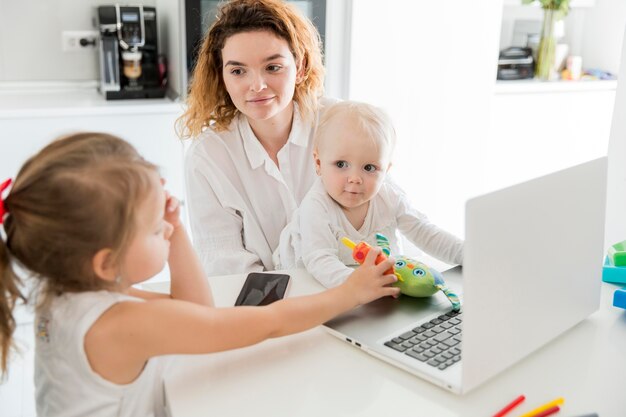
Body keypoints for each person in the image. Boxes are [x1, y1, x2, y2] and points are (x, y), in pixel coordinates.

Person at [0, 132, 399, 417]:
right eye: (157, 229)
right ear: (106, 263)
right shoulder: (118, 323)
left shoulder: (68, 291)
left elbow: (193, 308)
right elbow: (267, 322)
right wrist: (350, 293)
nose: (168, 228)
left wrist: (172, 231)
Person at [177, 0, 336, 276]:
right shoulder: (209, 156)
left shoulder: (339, 122)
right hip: (262, 312)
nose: (257, 86)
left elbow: (381, 220)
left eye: (272, 67)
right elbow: (226, 269)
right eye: (238, 71)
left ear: (300, 67)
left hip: (350, 293)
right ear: (222, 76)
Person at [275, 101, 465, 288]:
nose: (355, 178)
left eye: (369, 168)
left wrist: (468, 254)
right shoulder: (316, 206)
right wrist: (364, 285)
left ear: (386, 171)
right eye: (341, 164)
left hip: (367, 283)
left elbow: (425, 233)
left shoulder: (389, 198)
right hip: (305, 281)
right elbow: (321, 261)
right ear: (318, 163)